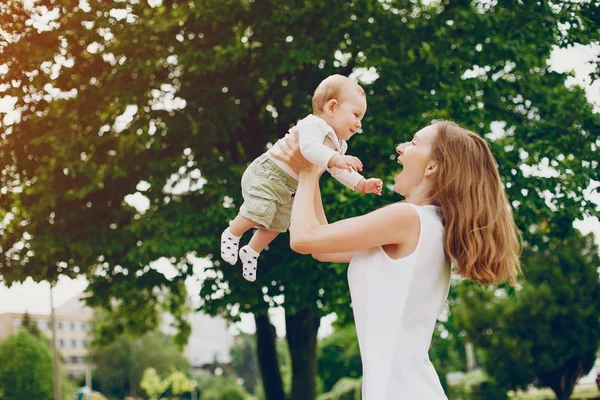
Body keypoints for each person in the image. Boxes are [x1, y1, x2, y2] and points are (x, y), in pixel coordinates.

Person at [273, 120, 521, 399]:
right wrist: (315, 168)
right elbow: (320, 247)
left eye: (413, 143)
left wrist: (306, 172)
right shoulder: (427, 225)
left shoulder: (407, 219)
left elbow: (304, 239)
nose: (400, 148)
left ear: (431, 167)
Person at [220, 75, 383, 282]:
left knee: (278, 224)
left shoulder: (340, 145)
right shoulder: (313, 124)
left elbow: (339, 171)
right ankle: (232, 233)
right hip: (269, 175)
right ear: (332, 107)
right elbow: (309, 149)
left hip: (289, 187)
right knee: (260, 211)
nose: (359, 124)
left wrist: (361, 183)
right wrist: (335, 159)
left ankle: (252, 250)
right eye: (356, 115)